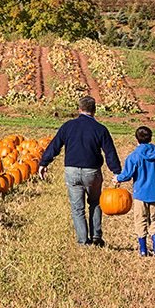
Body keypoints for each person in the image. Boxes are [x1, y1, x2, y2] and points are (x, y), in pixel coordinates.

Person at [37, 96, 121, 247]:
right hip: (92, 171)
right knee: (95, 202)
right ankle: (96, 236)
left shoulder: (68, 126)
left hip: (72, 170)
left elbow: (55, 145)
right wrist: (116, 171)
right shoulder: (100, 129)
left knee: (77, 208)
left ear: (79, 109)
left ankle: (83, 241)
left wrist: (44, 163)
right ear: (94, 110)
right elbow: (110, 152)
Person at [113, 125, 155, 257]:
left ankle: (142, 249)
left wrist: (118, 178)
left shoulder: (134, 156)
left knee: (140, 220)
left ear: (136, 139)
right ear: (151, 139)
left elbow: (128, 174)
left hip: (140, 194)